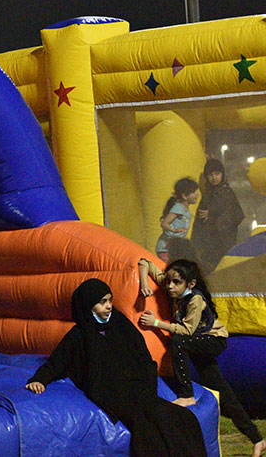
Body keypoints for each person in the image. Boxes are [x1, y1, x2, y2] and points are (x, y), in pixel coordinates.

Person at [26, 279, 206, 457]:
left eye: (110, 300)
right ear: (88, 305)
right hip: (111, 393)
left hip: (139, 386)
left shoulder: (121, 323)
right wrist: (39, 380)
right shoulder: (79, 335)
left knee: (184, 418)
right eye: (102, 302)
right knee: (147, 427)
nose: (108, 306)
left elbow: (143, 357)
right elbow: (57, 363)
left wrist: (148, 385)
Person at [139, 258, 265, 456]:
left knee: (178, 341)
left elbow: (187, 331)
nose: (170, 286)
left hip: (212, 340)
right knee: (223, 392)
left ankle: (186, 395)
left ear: (190, 284)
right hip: (196, 342)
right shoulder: (171, 286)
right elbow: (144, 263)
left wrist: (156, 323)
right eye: (169, 281)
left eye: (176, 282)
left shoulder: (195, 300)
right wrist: (144, 284)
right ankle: (257, 439)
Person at [191, 158, 244, 272]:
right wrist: (195, 246)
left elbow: (237, 215)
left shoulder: (227, 193)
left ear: (222, 174)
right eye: (210, 175)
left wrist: (213, 215)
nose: (214, 177)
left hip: (223, 245)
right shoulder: (208, 193)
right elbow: (199, 223)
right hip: (208, 247)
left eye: (217, 173)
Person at [156, 178, 199, 262]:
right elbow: (164, 223)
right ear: (184, 196)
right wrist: (174, 230)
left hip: (174, 247)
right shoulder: (178, 208)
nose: (197, 194)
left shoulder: (184, 209)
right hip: (166, 249)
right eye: (193, 192)